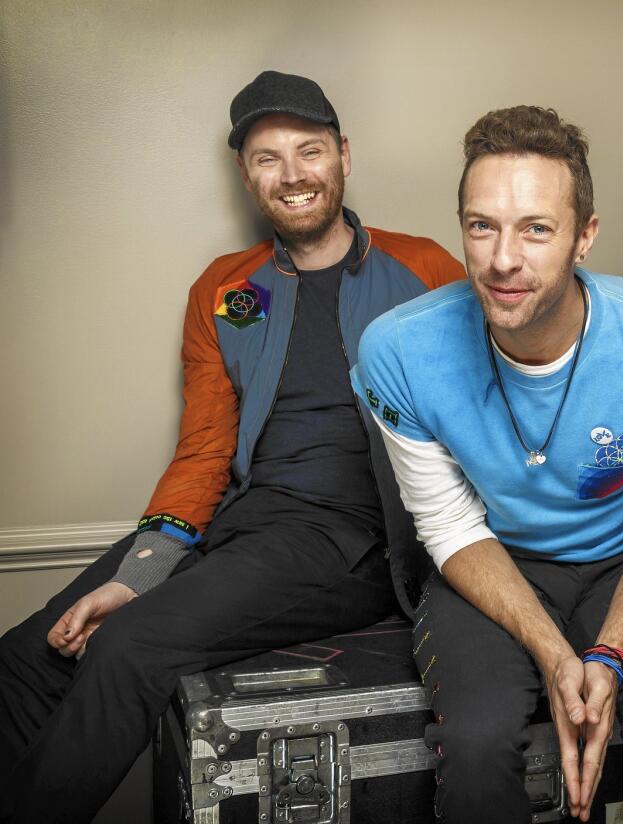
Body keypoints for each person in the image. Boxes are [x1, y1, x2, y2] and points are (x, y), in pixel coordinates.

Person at [0, 70, 464, 823]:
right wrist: (141, 574)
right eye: (266, 158)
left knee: (131, 648)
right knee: (28, 658)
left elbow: (483, 414)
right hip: (238, 524)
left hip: (349, 539)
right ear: (247, 176)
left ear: (343, 156)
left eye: (309, 151)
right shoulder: (224, 290)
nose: (292, 175)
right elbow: (205, 450)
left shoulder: (426, 270)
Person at [353, 105, 623, 823]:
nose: (503, 259)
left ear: (584, 236)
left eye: (536, 228)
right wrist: (556, 655)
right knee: (472, 747)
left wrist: (610, 654)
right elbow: (446, 523)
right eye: (482, 225)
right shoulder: (397, 351)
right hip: (491, 560)